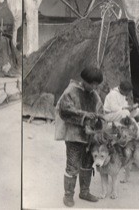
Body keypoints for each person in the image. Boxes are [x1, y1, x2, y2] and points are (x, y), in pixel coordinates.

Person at [55, 66, 103, 207]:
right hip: (74, 135)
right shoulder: (71, 91)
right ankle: (68, 195)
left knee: (87, 163)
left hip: (89, 137)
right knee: (72, 165)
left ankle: (85, 191)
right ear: (84, 80)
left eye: (96, 84)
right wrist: (84, 115)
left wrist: (98, 120)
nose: (94, 87)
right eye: (91, 83)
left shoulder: (94, 94)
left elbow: (99, 110)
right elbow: (64, 111)